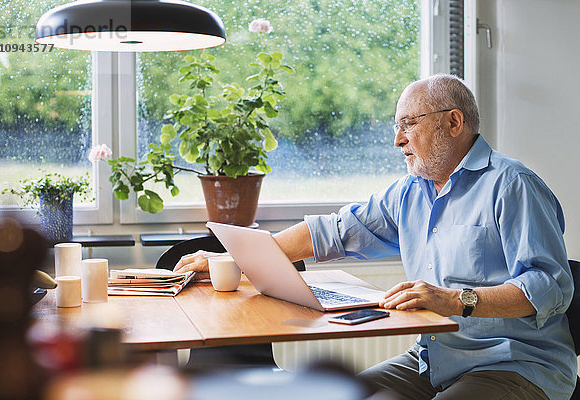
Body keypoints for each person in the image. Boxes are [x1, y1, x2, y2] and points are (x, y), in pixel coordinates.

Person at [174, 74, 576, 399]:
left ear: (453, 123)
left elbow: (550, 287)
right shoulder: (409, 191)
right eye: (396, 126)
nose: (397, 140)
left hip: (515, 364)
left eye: (408, 125)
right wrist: (234, 260)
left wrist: (453, 300)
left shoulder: (513, 186)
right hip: (433, 359)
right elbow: (332, 231)